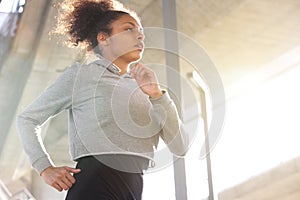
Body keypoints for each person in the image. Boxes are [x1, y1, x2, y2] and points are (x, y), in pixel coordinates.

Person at [16, 0, 188, 199]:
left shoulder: (146, 88)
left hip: (133, 188)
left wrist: (157, 95)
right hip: (93, 185)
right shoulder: (81, 75)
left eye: (141, 31)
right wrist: (44, 167)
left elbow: (181, 146)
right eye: (129, 29)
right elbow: (27, 119)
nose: (140, 35)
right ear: (104, 39)